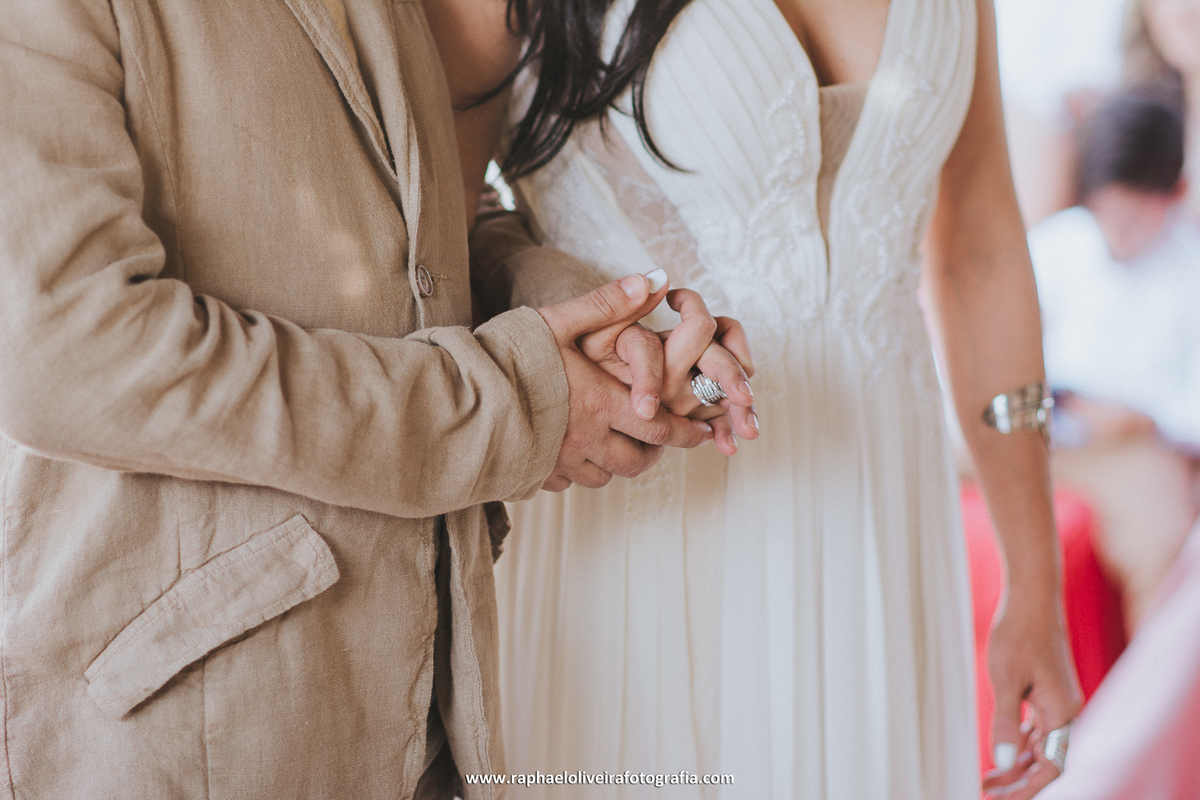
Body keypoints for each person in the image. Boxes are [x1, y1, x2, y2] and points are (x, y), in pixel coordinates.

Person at [0, 1, 739, 798]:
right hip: (194, 715)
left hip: (425, 694)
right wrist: (513, 400)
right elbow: (68, 354)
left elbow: (425, 219)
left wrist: (578, 315)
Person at [441, 1, 1082, 798]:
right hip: (640, 526)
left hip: (877, 532)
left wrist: (1035, 581)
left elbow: (981, 251)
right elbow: (439, 242)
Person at [1030, 87, 1200, 631]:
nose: (1114, 231)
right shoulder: (1058, 246)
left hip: (1136, 449)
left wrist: (1144, 418)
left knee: (1163, 542)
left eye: (1131, 214)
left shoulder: (1190, 266)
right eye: (1105, 212)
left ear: (1174, 193)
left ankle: (1150, 713)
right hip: (1037, 430)